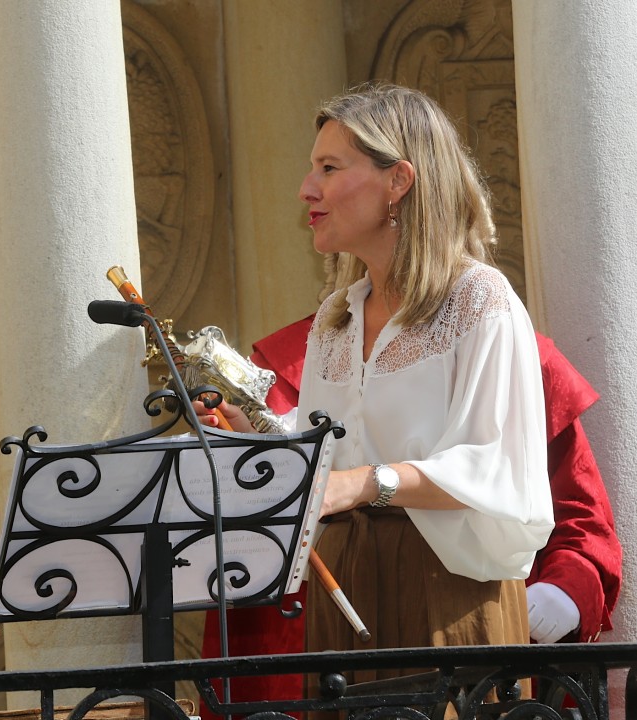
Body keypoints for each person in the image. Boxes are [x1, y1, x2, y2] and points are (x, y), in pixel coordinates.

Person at [194, 83, 554, 691]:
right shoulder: (336, 318)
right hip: (346, 586)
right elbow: (332, 448)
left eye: (329, 168)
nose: (307, 189)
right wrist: (257, 431)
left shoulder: (480, 299)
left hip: (446, 596)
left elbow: (495, 467)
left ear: (398, 180)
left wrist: (365, 484)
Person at [199, 316, 621, 716]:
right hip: (329, 628)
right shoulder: (308, 349)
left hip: (454, 606)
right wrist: (253, 456)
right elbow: (290, 504)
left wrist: (568, 587)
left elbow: (576, 508)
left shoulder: (495, 334)